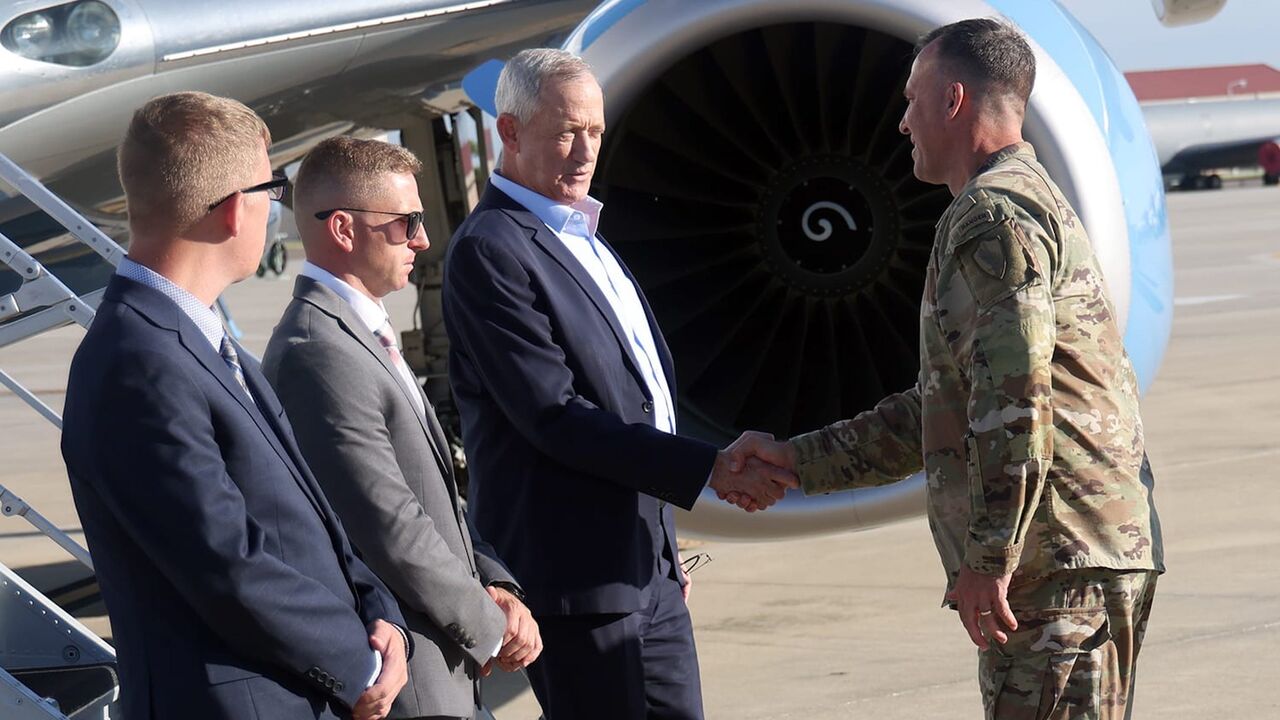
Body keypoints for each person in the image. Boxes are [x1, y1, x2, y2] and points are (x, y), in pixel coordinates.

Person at [727, 19, 1164, 720]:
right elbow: (947, 408)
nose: (902, 123)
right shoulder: (1023, 202)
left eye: (912, 100)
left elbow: (1016, 403)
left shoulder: (993, 218)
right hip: (1073, 553)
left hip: (1053, 565)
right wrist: (794, 461)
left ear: (954, 101)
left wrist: (990, 556)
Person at [440, 48, 798, 719]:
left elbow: (636, 403)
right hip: (577, 587)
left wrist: (662, 550)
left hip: (647, 574)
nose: (584, 152)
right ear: (509, 133)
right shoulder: (492, 250)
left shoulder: (586, 237)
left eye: (596, 132)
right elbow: (554, 415)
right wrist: (710, 467)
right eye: (565, 132)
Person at [60, 92, 410, 720]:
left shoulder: (204, 343)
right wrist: (358, 666)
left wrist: (381, 614)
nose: (275, 209)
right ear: (229, 213)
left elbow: (310, 521)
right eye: (271, 190)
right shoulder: (136, 362)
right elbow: (225, 564)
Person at [262, 136, 541, 720]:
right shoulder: (319, 350)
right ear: (343, 229)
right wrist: (492, 627)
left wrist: (497, 582)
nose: (423, 238)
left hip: (447, 663)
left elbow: (432, 496)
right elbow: (387, 522)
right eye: (406, 222)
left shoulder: (358, 333)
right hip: (414, 677)